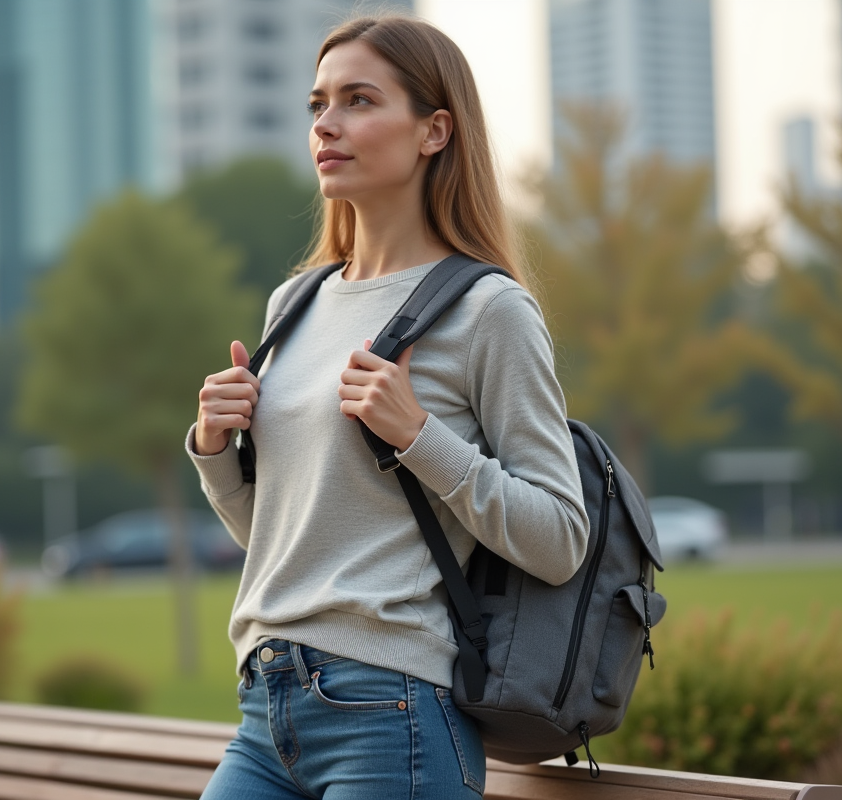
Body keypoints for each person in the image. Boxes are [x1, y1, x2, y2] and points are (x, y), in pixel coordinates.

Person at [187, 13, 590, 799]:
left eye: (359, 101)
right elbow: (292, 541)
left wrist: (420, 436)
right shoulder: (293, 305)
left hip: (391, 713)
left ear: (433, 130)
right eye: (317, 105)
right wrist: (213, 448)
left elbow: (561, 538)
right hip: (267, 709)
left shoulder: (488, 310)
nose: (326, 125)